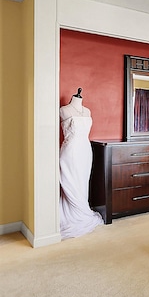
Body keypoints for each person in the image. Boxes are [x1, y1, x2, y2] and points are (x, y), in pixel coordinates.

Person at [59, 88, 103, 238]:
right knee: (71, 182)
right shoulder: (64, 110)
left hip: (85, 151)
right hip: (70, 152)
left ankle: (82, 210)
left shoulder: (87, 111)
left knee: (82, 182)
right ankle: (73, 214)